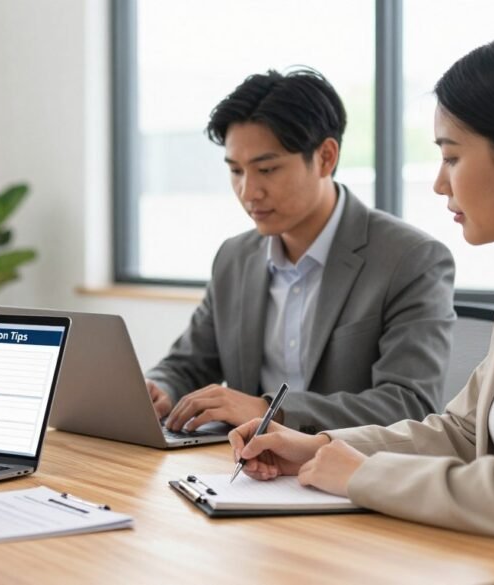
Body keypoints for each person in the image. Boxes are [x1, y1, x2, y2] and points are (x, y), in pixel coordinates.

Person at [230, 30, 494, 541]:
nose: (440, 184)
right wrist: (319, 448)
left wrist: (361, 476)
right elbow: (461, 433)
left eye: (451, 157)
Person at [146, 69, 455, 434]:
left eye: (267, 169)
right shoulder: (234, 257)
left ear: (326, 157)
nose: (248, 191)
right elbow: (189, 364)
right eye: (236, 171)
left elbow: (409, 405)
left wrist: (269, 411)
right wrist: (159, 388)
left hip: (347, 478)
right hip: (240, 472)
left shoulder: (410, 259)